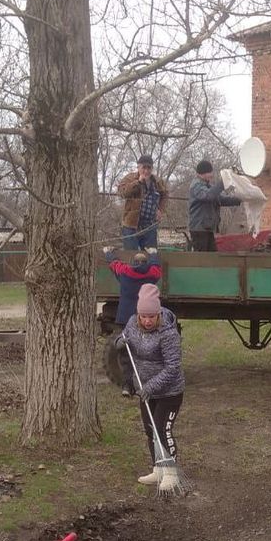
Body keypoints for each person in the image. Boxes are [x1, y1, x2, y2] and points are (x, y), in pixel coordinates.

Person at [116, 284, 184, 486]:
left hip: (169, 392)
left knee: (162, 429)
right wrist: (120, 341)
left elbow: (173, 368)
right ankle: (158, 469)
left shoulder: (168, 333)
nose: (147, 321)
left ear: (158, 315)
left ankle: (171, 473)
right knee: (149, 429)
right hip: (146, 391)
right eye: (143, 316)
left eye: (151, 317)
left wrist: (150, 387)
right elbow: (124, 337)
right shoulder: (132, 322)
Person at [103, 246, 162, 396]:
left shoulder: (125, 273)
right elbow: (156, 268)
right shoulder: (151, 274)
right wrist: (154, 254)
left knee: (126, 353)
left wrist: (108, 252)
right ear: (146, 263)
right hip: (145, 318)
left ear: (133, 262)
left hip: (126, 318)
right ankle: (147, 385)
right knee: (147, 351)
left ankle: (127, 387)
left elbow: (114, 264)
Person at [187, 159, 242, 251]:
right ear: (202, 173)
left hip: (207, 228)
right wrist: (222, 183)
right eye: (210, 173)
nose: (211, 175)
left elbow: (221, 199)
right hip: (199, 229)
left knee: (212, 257)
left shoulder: (207, 186)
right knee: (202, 258)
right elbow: (208, 196)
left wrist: (240, 199)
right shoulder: (196, 186)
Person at [118, 154, 169, 250]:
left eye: (149, 168)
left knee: (151, 256)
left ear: (152, 168)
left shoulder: (157, 181)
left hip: (150, 226)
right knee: (131, 256)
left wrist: (160, 210)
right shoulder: (130, 178)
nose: (146, 171)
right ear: (138, 167)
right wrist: (138, 182)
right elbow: (122, 193)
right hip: (131, 225)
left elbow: (165, 195)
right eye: (143, 167)